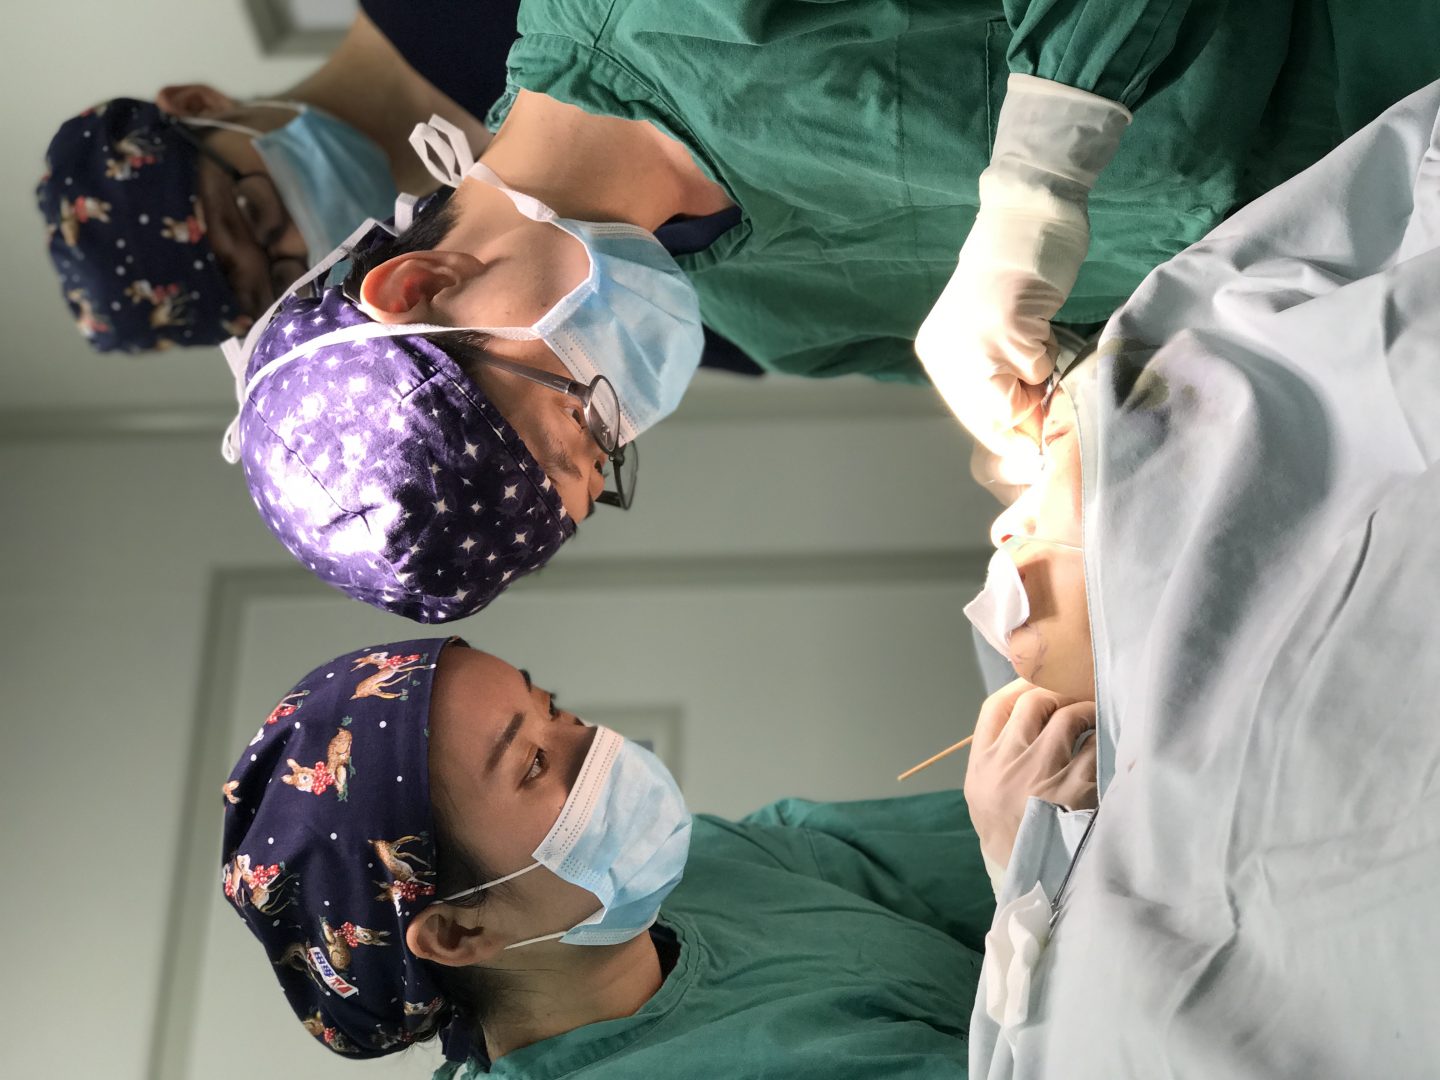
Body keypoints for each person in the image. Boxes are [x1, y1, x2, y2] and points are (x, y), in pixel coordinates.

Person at [215, 0, 1440, 622]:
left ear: (421, 286)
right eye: (609, 457)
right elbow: (1147, 302)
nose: (624, 410)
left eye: (572, 415)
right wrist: (1072, 412)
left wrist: (1036, 181)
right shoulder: (761, 311)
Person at [956, 79, 1440, 1077]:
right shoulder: (1119, 846)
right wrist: (1027, 885)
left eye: (1030, 492)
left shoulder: (1259, 368)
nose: (1003, 527)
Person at [221, 635, 1009, 1075]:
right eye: (532, 764)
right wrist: (1026, 882)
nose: (595, 743)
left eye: (552, 710)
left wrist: (1022, 821)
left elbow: (1010, 841)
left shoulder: (716, 864)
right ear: (460, 931)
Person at [35, 6, 504, 352]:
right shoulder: (514, 217)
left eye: (250, 211)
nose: (303, 241)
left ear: (199, 104)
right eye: (285, 277)